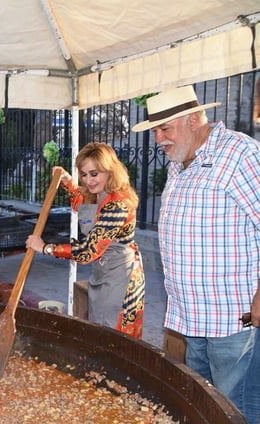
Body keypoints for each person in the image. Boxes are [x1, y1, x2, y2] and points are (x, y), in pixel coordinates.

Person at [132, 85, 260, 424]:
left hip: (234, 317)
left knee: (235, 408)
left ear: (193, 120)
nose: (158, 138)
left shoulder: (240, 154)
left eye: (164, 128)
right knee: (204, 403)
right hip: (191, 316)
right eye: (155, 130)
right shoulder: (181, 161)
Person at [26, 142, 145, 338]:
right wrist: (67, 182)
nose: (88, 180)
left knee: (114, 334)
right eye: (84, 174)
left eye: (94, 174)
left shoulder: (118, 203)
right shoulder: (98, 195)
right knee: (99, 325)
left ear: (110, 171)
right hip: (104, 270)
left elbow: (88, 250)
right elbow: (81, 203)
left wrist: (46, 247)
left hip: (120, 276)